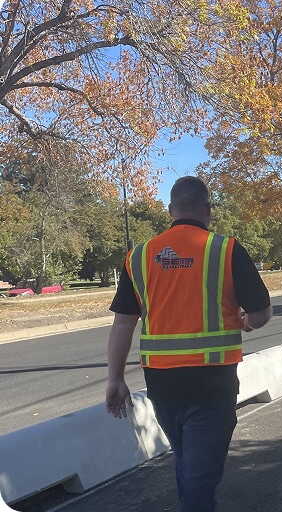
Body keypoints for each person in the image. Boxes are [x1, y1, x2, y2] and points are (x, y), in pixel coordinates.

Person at [105, 176, 272, 512]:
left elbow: (123, 322)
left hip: (162, 382)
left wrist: (115, 378)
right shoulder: (225, 249)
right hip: (212, 379)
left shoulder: (139, 256)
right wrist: (248, 323)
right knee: (200, 471)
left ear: (170, 210)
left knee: (187, 458)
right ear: (208, 210)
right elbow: (261, 311)